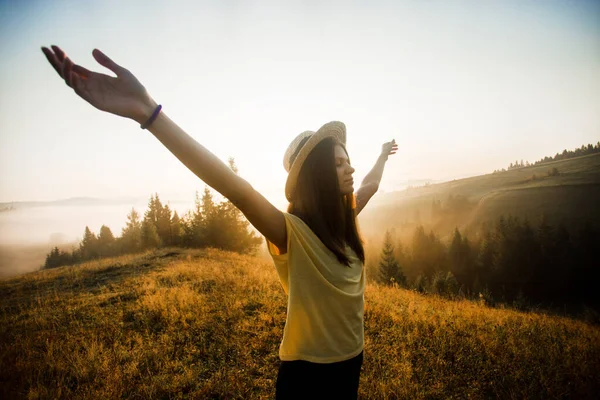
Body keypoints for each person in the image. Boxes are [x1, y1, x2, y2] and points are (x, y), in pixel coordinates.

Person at [41, 45, 398, 399]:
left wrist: (381, 155)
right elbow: (235, 189)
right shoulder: (291, 234)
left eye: (347, 160)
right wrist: (149, 113)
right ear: (315, 177)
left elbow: (370, 184)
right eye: (337, 163)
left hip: (352, 362)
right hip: (308, 377)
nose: (349, 167)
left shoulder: (345, 219)